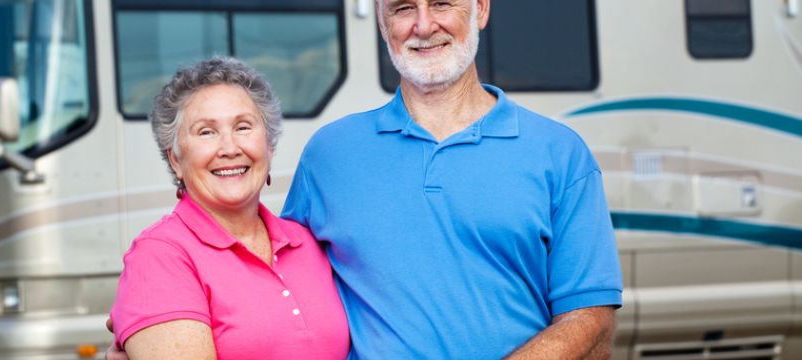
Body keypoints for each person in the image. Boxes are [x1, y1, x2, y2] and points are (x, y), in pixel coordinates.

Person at [280, 0, 622, 358]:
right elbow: (281, 290)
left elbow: (590, 321)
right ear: (382, 23)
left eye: (442, 4)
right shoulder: (330, 154)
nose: (424, 26)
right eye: (403, 8)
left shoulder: (560, 153)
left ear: (481, 10)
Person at [109, 57, 350, 359]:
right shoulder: (159, 256)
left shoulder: (308, 241)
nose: (230, 148)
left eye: (243, 127)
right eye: (206, 132)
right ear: (175, 159)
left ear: (269, 146)